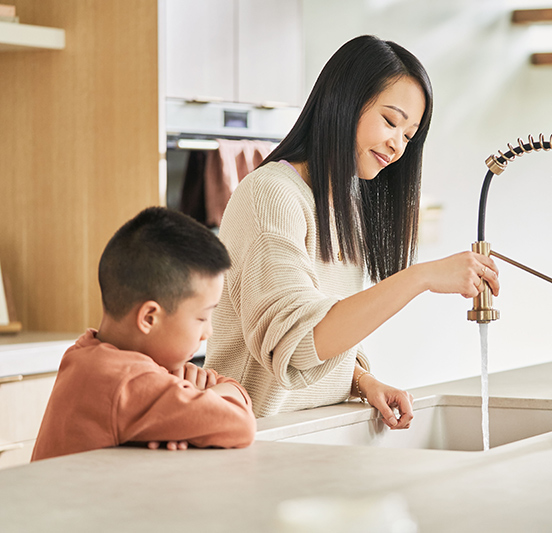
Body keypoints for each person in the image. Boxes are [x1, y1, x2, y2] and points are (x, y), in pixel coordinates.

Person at [203, 35, 500, 429]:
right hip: (253, 438)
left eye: (409, 136)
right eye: (390, 121)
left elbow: (327, 330)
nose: (397, 146)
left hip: (310, 432)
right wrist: (421, 276)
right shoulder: (270, 194)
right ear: (344, 102)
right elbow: (296, 348)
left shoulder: (347, 205)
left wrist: (362, 380)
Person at [32, 207, 257, 461]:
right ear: (149, 318)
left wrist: (194, 402)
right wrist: (209, 396)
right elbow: (241, 425)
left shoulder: (86, 355)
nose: (208, 332)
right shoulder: (126, 381)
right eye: (202, 318)